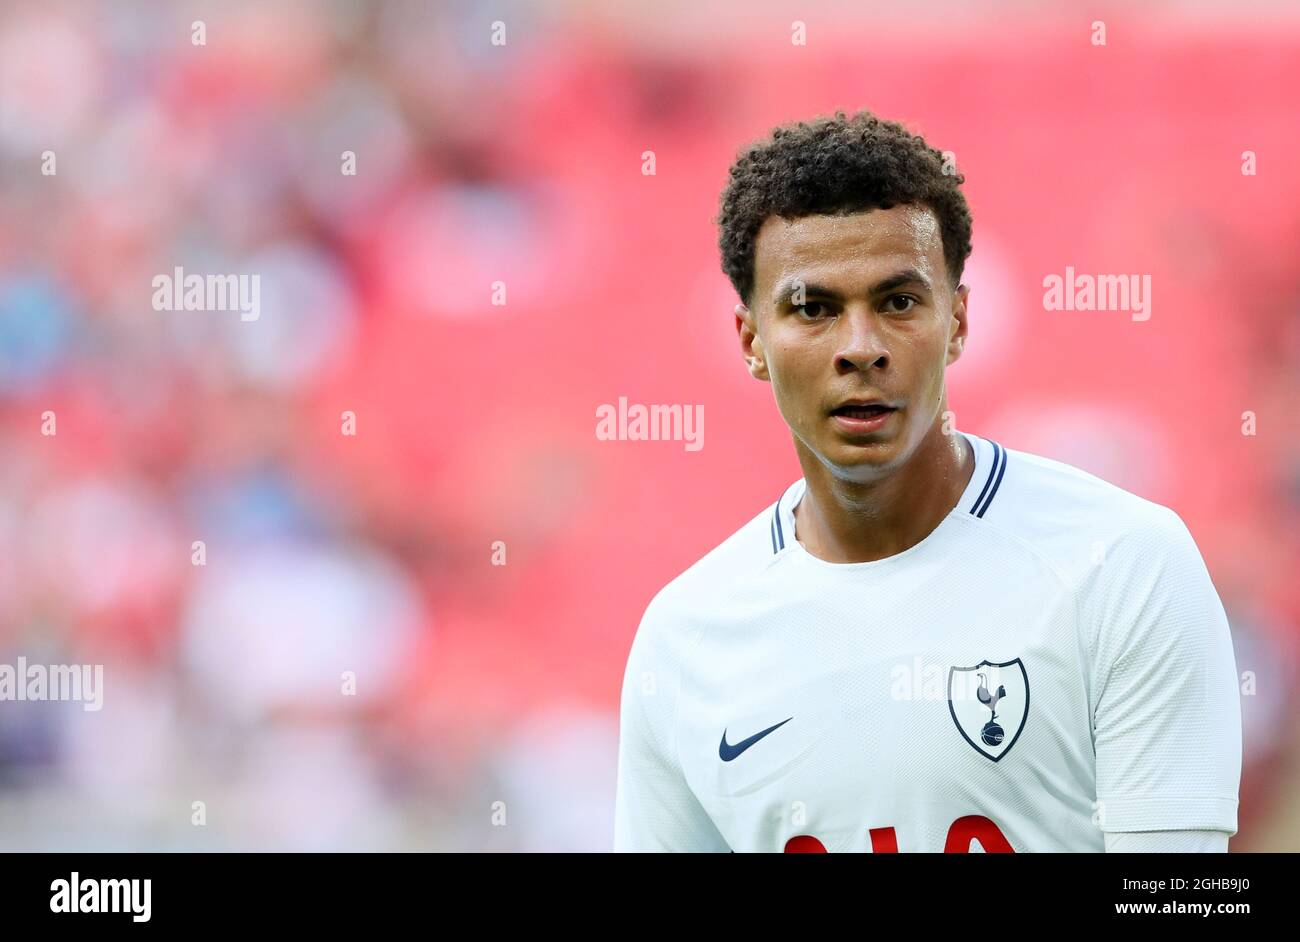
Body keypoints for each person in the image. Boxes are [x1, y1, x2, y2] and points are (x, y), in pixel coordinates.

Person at [613, 110, 1241, 852]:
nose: (860, 348)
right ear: (752, 340)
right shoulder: (683, 640)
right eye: (813, 309)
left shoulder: (1124, 565)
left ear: (958, 321)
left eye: (898, 302)